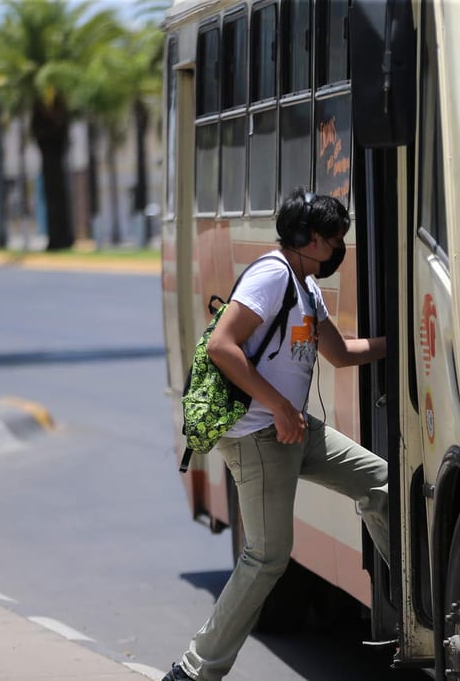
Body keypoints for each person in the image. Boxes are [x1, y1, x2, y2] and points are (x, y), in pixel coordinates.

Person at [163, 189, 389, 681]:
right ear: (307, 238)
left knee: (381, 485)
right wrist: (281, 407)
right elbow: (224, 345)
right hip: (259, 435)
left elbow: (342, 353)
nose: (338, 249)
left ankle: (408, 609)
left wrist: (403, 343)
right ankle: (194, 671)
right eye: (333, 239)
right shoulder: (273, 275)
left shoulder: (305, 286)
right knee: (266, 556)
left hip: (291, 430)